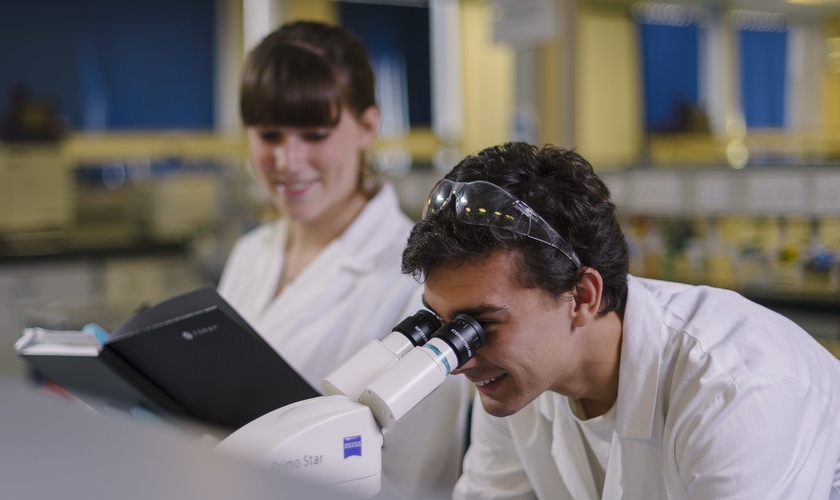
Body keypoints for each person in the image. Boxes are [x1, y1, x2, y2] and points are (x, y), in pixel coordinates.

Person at [402, 141, 840, 499]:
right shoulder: (515, 381)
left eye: (481, 324)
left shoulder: (732, 391)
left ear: (582, 296)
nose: (459, 359)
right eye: (444, 324)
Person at [217, 20, 470, 497]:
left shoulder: (422, 279)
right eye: (269, 135)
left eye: (314, 134)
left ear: (368, 127)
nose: (288, 161)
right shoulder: (251, 253)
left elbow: (416, 481)